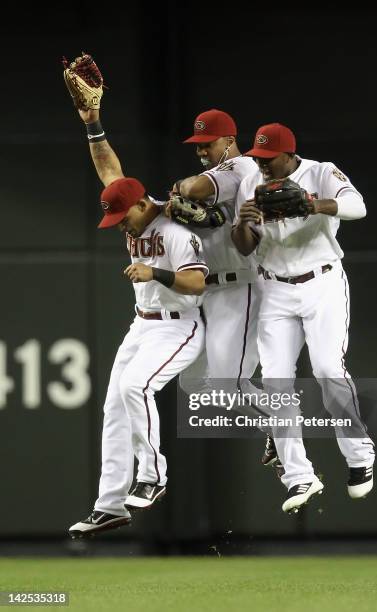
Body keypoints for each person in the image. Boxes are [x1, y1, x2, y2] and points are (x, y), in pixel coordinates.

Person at [68, 110, 208, 537]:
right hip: (142, 325)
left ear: (144, 204)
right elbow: (109, 169)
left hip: (180, 325)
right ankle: (110, 505)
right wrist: (93, 123)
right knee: (114, 405)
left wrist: (156, 273)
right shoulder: (131, 205)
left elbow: (198, 283)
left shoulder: (177, 230)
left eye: (122, 217)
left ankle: (154, 476)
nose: (119, 225)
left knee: (136, 387)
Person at [232, 122, 375, 513]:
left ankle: (360, 454)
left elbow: (358, 206)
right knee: (276, 381)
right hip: (274, 288)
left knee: (328, 369)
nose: (260, 163)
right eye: (257, 156)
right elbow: (243, 246)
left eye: (267, 157)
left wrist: (315, 204)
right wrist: (244, 222)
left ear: (288, 154)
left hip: (321, 283)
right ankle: (299, 476)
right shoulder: (252, 185)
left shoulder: (320, 171)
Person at [176, 109, 261, 390]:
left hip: (242, 286)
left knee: (229, 383)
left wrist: (179, 186)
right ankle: (277, 424)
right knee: (192, 382)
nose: (201, 150)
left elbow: (195, 188)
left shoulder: (243, 167)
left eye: (207, 143)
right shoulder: (220, 174)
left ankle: (288, 428)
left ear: (228, 140)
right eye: (198, 144)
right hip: (214, 292)